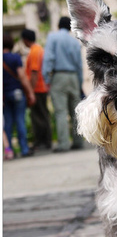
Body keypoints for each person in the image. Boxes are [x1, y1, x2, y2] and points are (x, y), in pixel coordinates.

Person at [42, 17, 83, 152]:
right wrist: (80, 81)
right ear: (70, 27)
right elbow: (79, 64)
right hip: (73, 77)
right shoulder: (74, 41)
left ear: (58, 25)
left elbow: (48, 58)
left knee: (61, 112)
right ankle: (78, 141)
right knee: (75, 111)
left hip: (59, 76)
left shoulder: (53, 37)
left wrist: (46, 79)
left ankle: (63, 144)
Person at [3, 32, 36, 157]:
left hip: (4, 97)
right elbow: (22, 76)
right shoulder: (15, 58)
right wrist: (30, 93)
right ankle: (24, 149)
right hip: (17, 94)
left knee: (8, 123)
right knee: (20, 121)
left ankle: (10, 150)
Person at [21, 29, 52, 150]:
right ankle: (45, 141)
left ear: (25, 39)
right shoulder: (40, 49)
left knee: (38, 117)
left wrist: (31, 91)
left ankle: (42, 142)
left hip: (38, 88)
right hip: (42, 87)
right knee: (43, 115)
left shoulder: (34, 52)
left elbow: (34, 72)